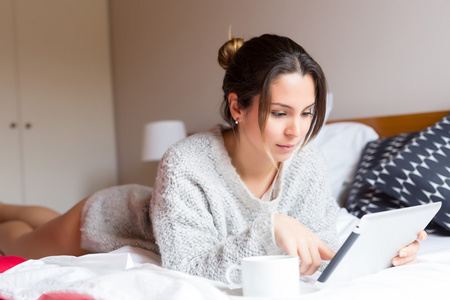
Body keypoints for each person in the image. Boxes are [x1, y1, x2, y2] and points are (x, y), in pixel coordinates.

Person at [0, 34, 426, 283]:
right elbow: (189, 267)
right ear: (237, 106)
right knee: (18, 242)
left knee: (40, 217)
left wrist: (387, 247)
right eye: (279, 113)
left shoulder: (307, 160)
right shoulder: (185, 162)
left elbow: (316, 241)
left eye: (307, 113)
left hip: (155, 210)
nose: (296, 131)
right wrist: (270, 227)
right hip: (111, 220)